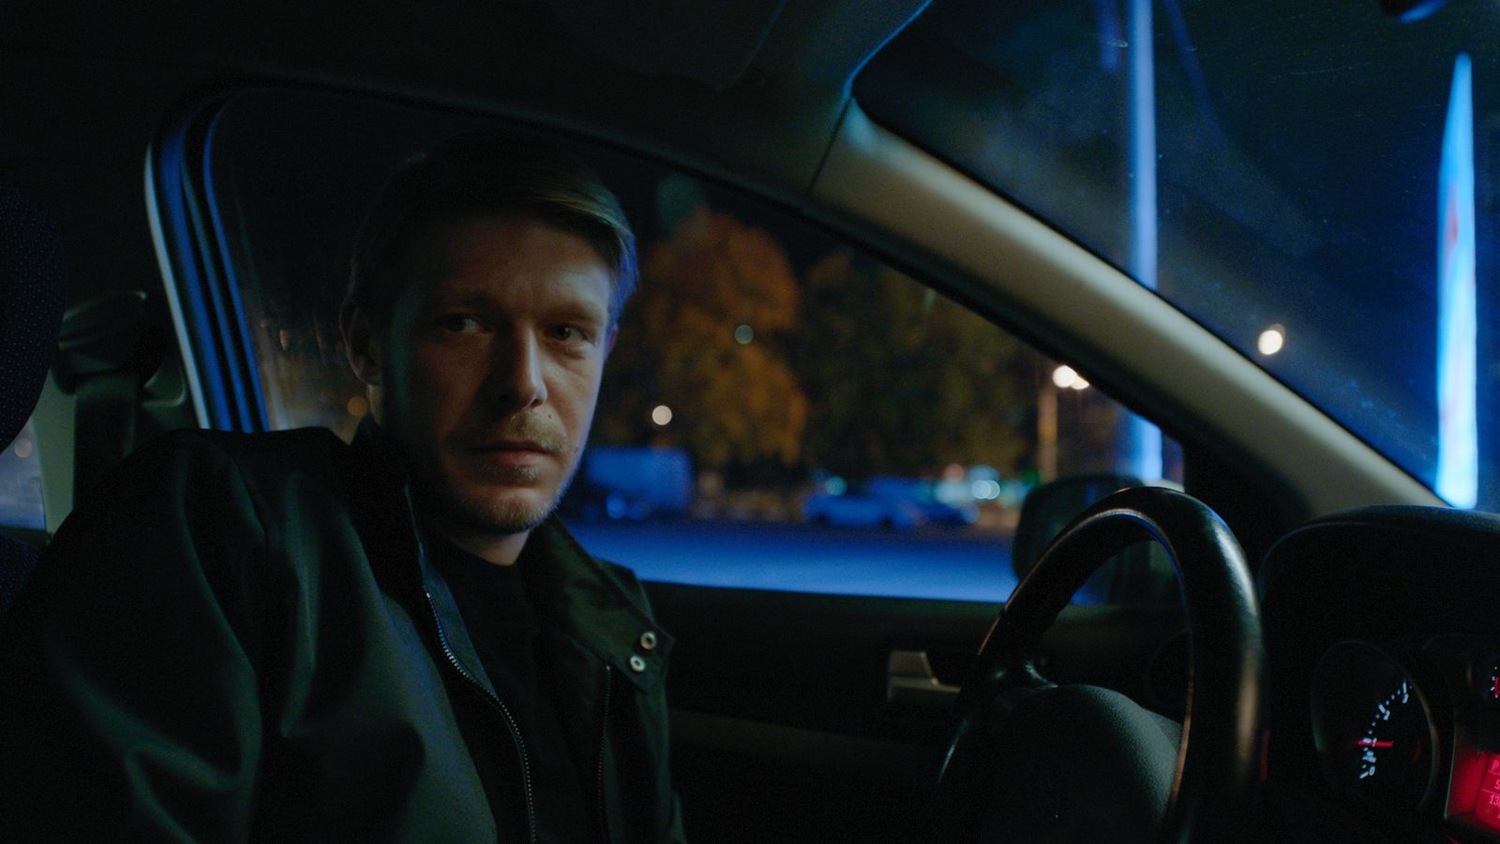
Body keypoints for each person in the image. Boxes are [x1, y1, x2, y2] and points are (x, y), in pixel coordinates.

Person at [0, 133, 686, 842]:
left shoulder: (608, 616)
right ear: (366, 345)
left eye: (567, 332)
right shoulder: (219, 526)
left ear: (605, 351)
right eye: (464, 324)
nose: (523, 384)